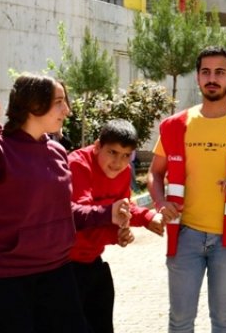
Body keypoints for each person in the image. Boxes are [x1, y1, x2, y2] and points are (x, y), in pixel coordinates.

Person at [0, 75, 123, 332]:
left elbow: (61, 211)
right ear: (34, 104)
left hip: (56, 272)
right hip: (1, 279)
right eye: (58, 102)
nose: (66, 109)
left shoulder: (57, 151)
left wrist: (107, 214)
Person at [149, 47, 226, 333]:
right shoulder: (174, 126)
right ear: (197, 77)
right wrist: (159, 202)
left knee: (224, 321)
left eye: (220, 72)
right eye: (206, 72)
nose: (212, 78)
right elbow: (155, 173)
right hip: (185, 236)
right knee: (180, 321)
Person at [68, 120, 164, 333]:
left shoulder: (123, 172)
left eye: (126, 155)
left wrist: (144, 219)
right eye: (112, 152)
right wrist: (116, 221)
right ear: (96, 146)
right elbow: (82, 215)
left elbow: (122, 208)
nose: (118, 162)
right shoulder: (78, 164)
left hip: (92, 261)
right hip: (63, 266)